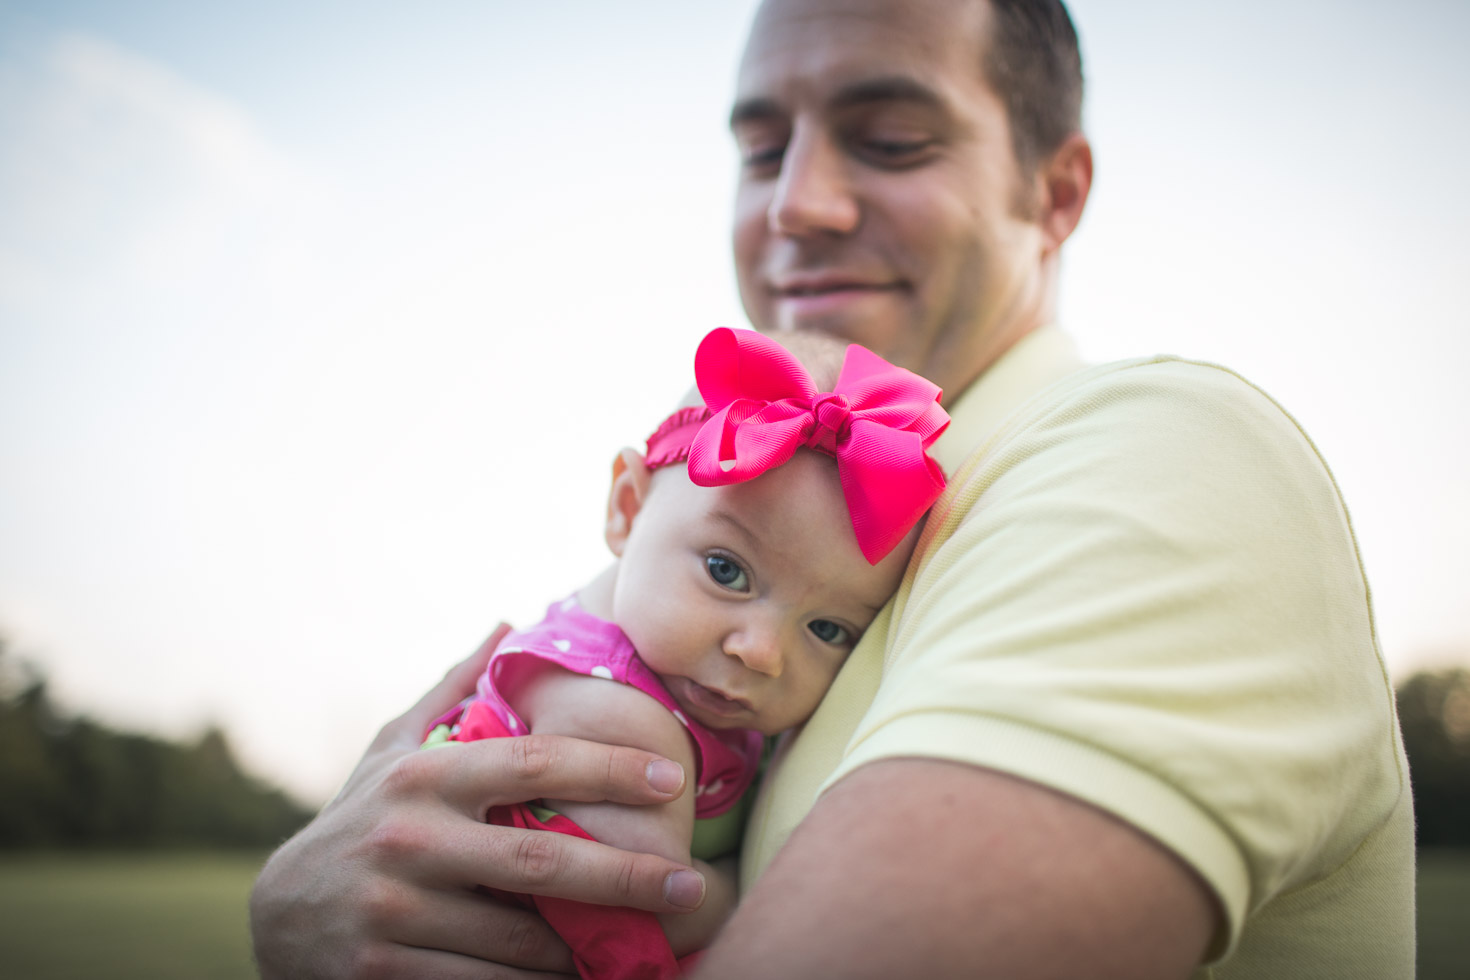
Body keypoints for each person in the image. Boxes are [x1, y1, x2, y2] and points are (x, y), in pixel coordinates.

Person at [250, 0, 1417, 976]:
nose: (794, 205)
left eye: (893, 138)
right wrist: (310, 902)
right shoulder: (755, 514)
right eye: (761, 151)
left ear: (1055, 193)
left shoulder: (1158, 461)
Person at [421, 325, 947, 978]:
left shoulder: (680, 673)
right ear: (627, 507)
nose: (761, 652)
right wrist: (754, 881)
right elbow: (650, 912)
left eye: (828, 629)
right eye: (727, 571)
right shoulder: (615, 713)